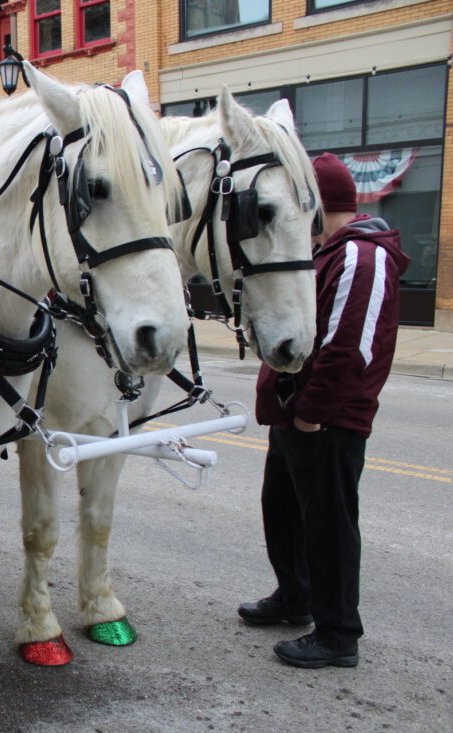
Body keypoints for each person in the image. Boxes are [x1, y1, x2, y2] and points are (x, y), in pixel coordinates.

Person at [238, 153, 410, 668]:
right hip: (296, 413)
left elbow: (351, 348)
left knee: (329, 525)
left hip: (328, 419)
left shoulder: (361, 255)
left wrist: (311, 413)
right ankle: (296, 597)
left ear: (316, 202)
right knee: (284, 512)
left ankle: (337, 634)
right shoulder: (324, 253)